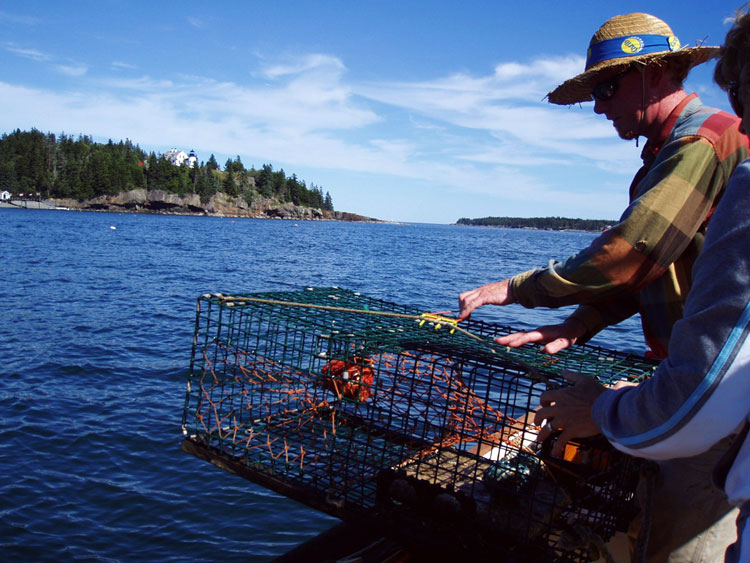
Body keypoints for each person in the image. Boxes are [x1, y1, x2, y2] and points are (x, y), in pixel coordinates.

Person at [457, 12, 749, 562]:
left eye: (607, 87)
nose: (598, 105)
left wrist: (515, 288)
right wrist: (579, 323)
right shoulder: (673, 151)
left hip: (716, 392)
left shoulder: (701, 144)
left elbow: (628, 255)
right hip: (698, 379)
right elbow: (658, 267)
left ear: (658, 73)